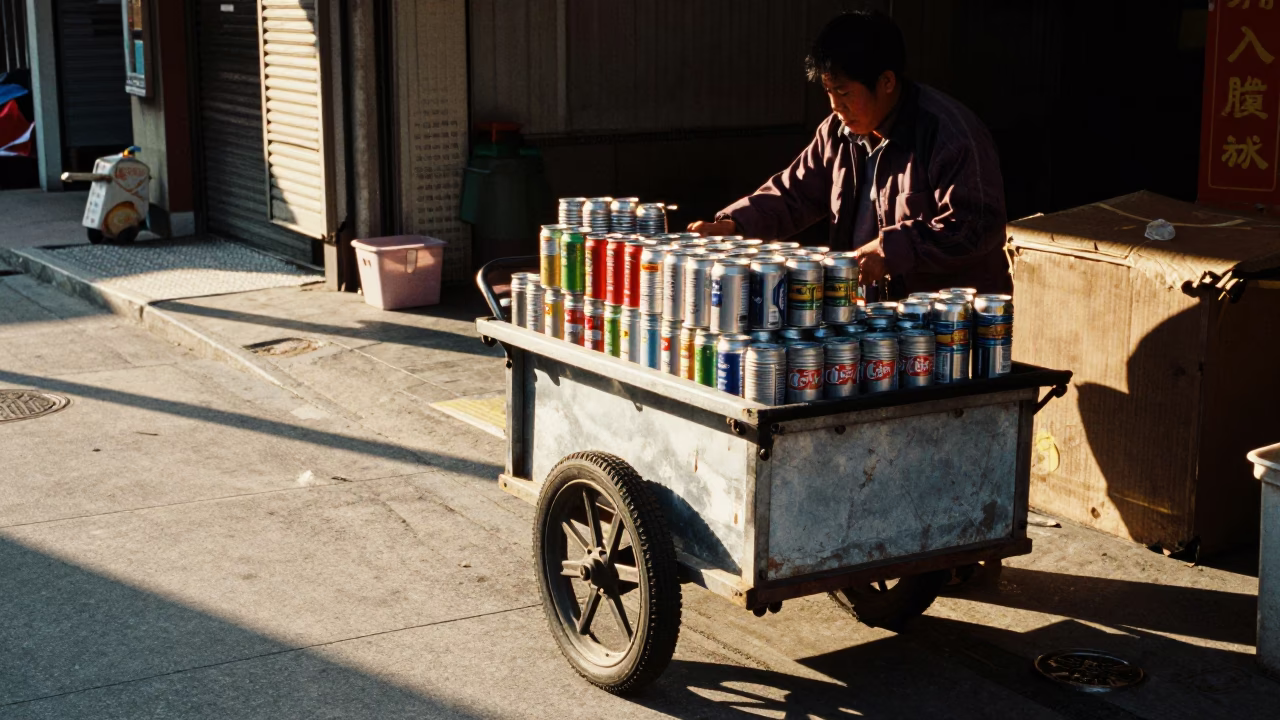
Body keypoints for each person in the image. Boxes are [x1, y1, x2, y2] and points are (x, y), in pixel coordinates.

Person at [689, 11, 1012, 295]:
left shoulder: (949, 132)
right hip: (869, 313)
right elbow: (794, 193)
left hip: (948, 322)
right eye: (828, 92)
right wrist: (735, 225)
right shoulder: (836, 130)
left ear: (886, 81)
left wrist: (893, 250)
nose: (835, 106)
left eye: (844, 93)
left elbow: (974, 227)